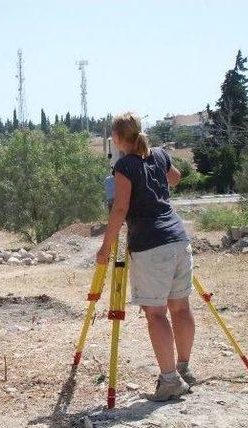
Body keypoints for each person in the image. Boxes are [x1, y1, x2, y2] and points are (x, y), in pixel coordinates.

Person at [95, 112, 196, 402]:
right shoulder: (160, 155)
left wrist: (105, 247)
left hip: (151, 245)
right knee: (180, 308)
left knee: (156, 313)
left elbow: (120, 208)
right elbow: (175, 179)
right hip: (178, 238)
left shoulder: (124, 165)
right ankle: (184, 369)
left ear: (116, 138)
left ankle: (169, 381)